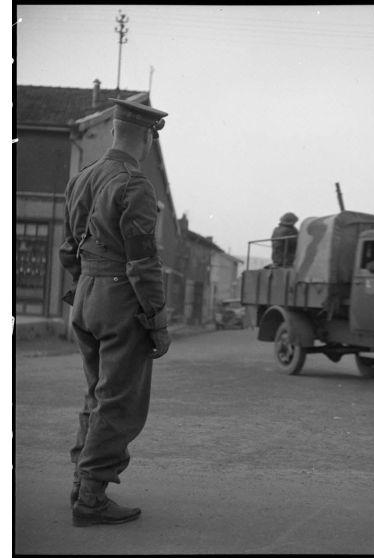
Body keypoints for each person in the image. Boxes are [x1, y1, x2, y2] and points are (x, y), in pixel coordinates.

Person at [59, 98, 172, 527]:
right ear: (146, 137)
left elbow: (67, 249)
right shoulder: (134, 184)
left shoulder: (82, 178)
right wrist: (157, 323)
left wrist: (87, 282)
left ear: (112, 132)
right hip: (119, 300)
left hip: (85, 297)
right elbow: (143, 262)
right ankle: (91, 496)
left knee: (96, 396)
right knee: (120, 403)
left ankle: (80, 482)